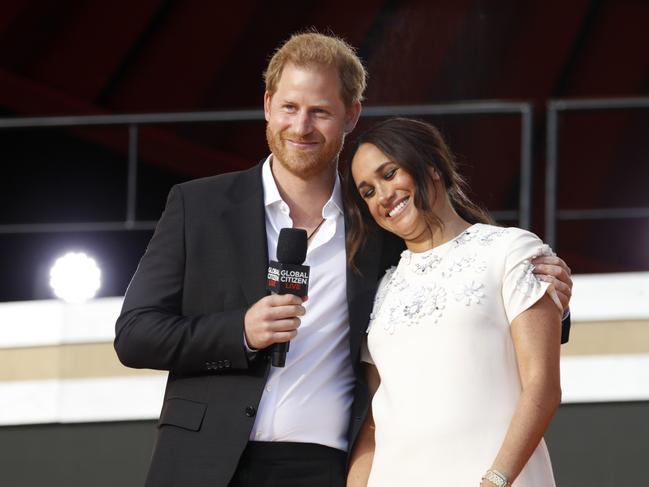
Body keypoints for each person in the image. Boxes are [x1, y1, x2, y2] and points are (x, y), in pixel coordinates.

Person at [114, 33, 573, 487]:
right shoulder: (199, 205)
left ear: (351, 115)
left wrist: (549, 297)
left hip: (326, 469)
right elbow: (135, 335)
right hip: (204, 462)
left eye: (320, 111)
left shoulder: (379, 220)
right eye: (290, 107)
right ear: (268, 104)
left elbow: (457, 267)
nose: (301, 126)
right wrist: (240, 332)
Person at [344, 118, 565, 486]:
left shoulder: (510, 250)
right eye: (367, 191)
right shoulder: (381, 287)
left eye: (390, 173)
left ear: (431, 167)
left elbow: (542, 386)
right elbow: (372, 424)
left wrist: (496, 479)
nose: (382, 196)